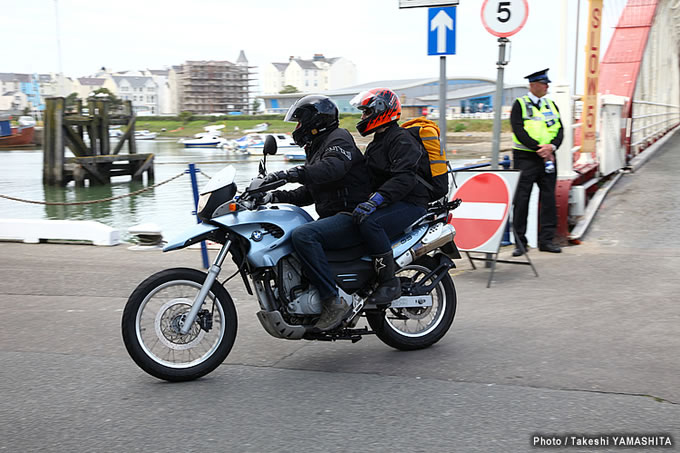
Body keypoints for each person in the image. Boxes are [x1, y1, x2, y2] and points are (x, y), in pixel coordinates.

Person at [261, 95, 372, 331]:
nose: (298, 128)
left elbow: (331, 169)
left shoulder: (339, 139)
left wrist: (288, 174)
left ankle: (333, 300)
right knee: (290, 232)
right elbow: (310, 191)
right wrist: (273, 197)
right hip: (334, 216)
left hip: (352, 215)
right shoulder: (317, 147)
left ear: (315, 121)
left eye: (300, 122)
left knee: (303, 235)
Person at [349, 88, 431, 304]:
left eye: (366, 112)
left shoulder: (402, 140)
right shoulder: (378, 142)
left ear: (381, 110)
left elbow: (404, 179)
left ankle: (388, 282)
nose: (363, 117)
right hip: (392, 200)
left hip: (411, 202)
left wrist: (375, 200)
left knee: (370, 223)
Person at [510, 68, 564, 256]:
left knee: (548, 199)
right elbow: (518, 130)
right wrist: (539, 148)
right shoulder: (520, 104)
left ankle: (546, 241)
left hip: (548, 158)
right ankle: (520, 243)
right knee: (522, 200)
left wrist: (552, 147)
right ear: (533, 85)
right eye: (543, 83)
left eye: (547, 83)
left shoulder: (551, 105)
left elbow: (560, 129)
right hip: (526, 158)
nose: (547, 86)